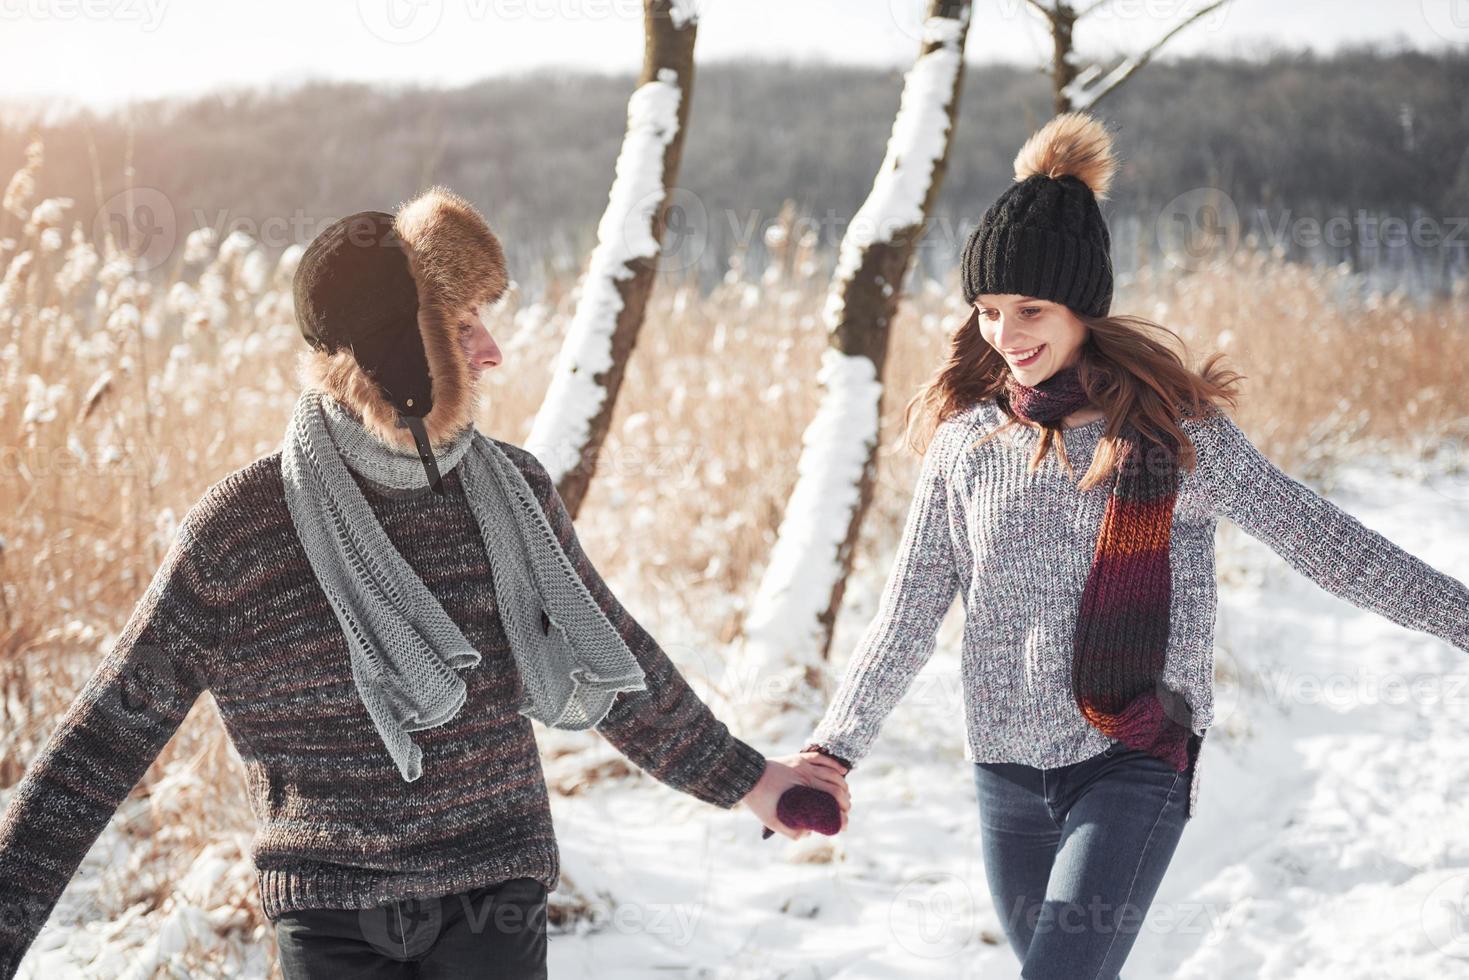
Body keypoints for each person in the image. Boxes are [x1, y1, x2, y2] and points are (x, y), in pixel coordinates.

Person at [0, 185, 849, 979]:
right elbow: (104, 738)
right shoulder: (243, 531)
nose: (492, 350)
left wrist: (748, 779)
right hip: (332, 913)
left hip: (495, 894)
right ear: (402, 351)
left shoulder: (512, 494)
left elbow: (611, 660)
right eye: (462, 323)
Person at [800, 111, 1469, 978]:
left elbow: (1323, 542)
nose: (1005, 334)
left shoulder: (1174, 435)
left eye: (1029, 309)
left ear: (1082, 307)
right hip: (1003, 764)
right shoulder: (967, 444)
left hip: (1132, 753)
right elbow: (905, 615)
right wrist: (832, 747)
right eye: (989, 310)